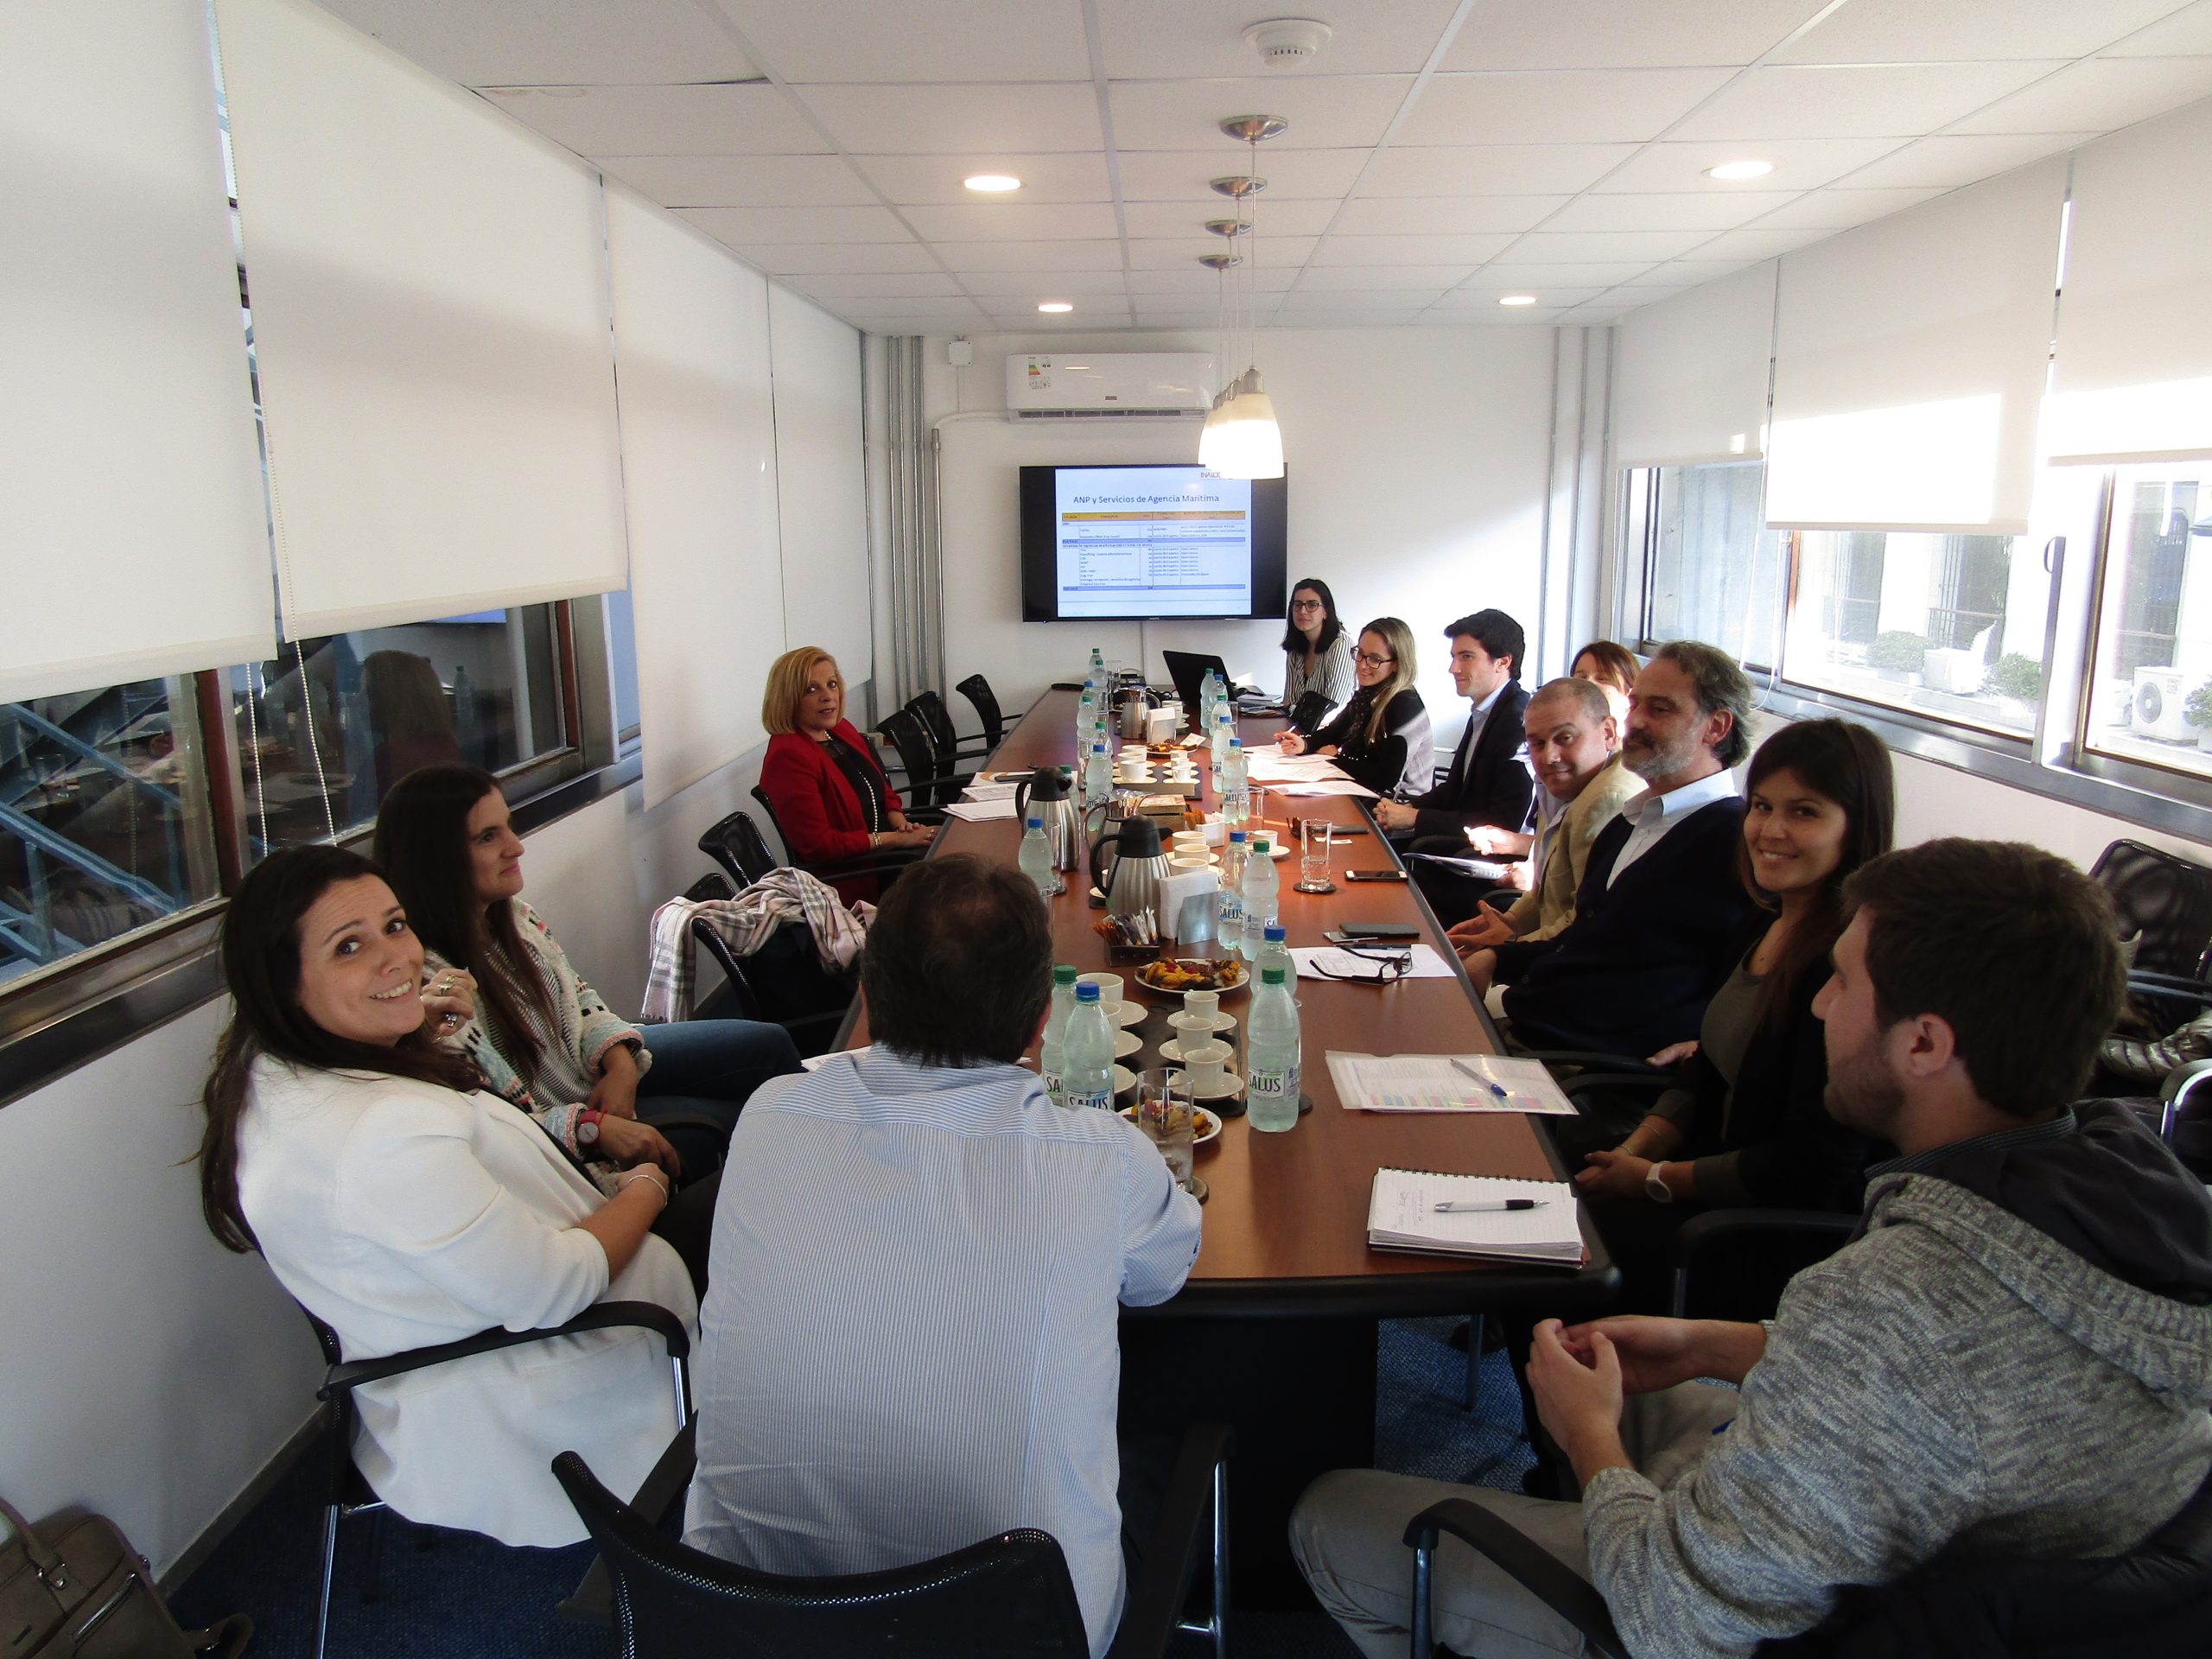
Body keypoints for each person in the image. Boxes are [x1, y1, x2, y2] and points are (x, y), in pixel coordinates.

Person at [1291, 838, 2212, 1659]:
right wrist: (1715, 1344)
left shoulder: (1898, 1298)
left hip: (1765, 1615)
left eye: (1842, 981)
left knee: (1328, 1514)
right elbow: (1986, 1387)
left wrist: (1590, 1442)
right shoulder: (2129, 1194)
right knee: (1634, 1376)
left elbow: (1675, 1615)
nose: (1816, 1004)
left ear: (1925, 1043)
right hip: (1915, 1550)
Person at [683, 855, 1202, 1659]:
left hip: (747, 1620)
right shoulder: (1101, 1156)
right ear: (1040, 1025)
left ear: (868, 995)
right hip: (1019, 1631)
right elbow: (1166, 1274)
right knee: (1165, 1417)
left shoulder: (769, 1115)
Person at [195, 845, 698, 1548]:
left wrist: (410, 1041)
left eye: (395, 925)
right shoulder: (382, 1134)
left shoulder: (272, 1075)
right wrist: (648, 1185)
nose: (397, 958)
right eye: (349, 947)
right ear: (282, 984)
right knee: (751, 1225)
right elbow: (556, 1289)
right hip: (558, 1365)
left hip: (467, 1324)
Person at [1564, 719, 1897, 1308]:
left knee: (1567, 1250)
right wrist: (1636, 1152)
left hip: (1764, 1227)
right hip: (1712, 1177)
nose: (1770, 830)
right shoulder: (1761, 921)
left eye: (1804, 813)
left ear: (1856, 828)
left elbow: (1810, 1166)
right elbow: (1705, 1071)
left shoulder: (1841, 968)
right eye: (1763, 805)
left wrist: (1653, 1180)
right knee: (1555, 1180)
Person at [374, 765, 802, 1185]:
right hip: (567, 1122)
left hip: (594, 1066)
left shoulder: (519, 919)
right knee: (734, 1124)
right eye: (488, 837)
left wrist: (620, 1066)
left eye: (508, 826)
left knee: (769, 1044)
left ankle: (820, 1154)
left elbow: (580, 997)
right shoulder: (437, 990)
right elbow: (501, 1128)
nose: (516, 847)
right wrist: (592, 1125)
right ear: (435, 860)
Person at [1481, 640, 1758, 1058]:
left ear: (1716, 727)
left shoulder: (1734, 842)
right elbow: (1583, 939)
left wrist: (1505, 992)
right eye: (1636, 705)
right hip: (1537, 1023)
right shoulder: (1632, 821)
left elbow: (1657, 989)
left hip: (1575, 1060)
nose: (1636, 722)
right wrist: (1497, 960)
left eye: (1660, 709)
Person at [1446, 677, 1643, 977]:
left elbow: (1582, 923)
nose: (1548, 757)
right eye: (1537, 743)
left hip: (1566, 976)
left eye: (1564, 738)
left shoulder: (1607, 799)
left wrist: (1508, 949)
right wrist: (1511, 921)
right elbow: (1550, 889)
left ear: (1608, 733)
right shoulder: (1563, 786)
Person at [758, 645, 933, 903]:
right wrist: (897, 840)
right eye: (811, 689)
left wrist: (900, 823)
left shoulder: (839, 730)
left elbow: (881, 789)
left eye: (831, 684)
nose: (828, 696)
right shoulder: (788, 756)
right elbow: (821, 846)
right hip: (853, 880)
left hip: (886, 856)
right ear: (788, 698)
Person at [1374, 608, 1535, 849]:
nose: (1453, 668)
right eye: (1454, 656)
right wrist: (1408, 808)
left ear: (1503, 662)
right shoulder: (1486, 711)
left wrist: (1415, 818)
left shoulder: (1517, 723)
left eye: (1466, 657)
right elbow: (1455, 791)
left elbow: (1503, 823)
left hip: (1487, 854)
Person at [1277, 616, 1434, 798]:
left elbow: (1386, 778)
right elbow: (1335, 731)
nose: (1362, 665)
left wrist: (1336, 759)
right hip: (1363, 789)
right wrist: (1305, 744)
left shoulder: (1403, 704)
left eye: (1375, 659)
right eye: (1360, 654)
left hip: (1398, 805)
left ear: (1397, 664)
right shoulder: (1368, 694)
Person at [361, 648, 464, 800]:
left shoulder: (388, 759)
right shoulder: (444, 743)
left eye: (367, 693)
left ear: (388, 699)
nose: (358, 701)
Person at [1281, 576, 1356, 732]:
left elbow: (1334, 709)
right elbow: (1288, 704)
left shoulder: (1341, 644)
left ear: (1326, 612)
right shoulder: (1295, 650)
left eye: (1312, 605)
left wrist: (1297, 710)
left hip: (1332, 737)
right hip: (1301, 733)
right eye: (1298, 604)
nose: (1303, 611)